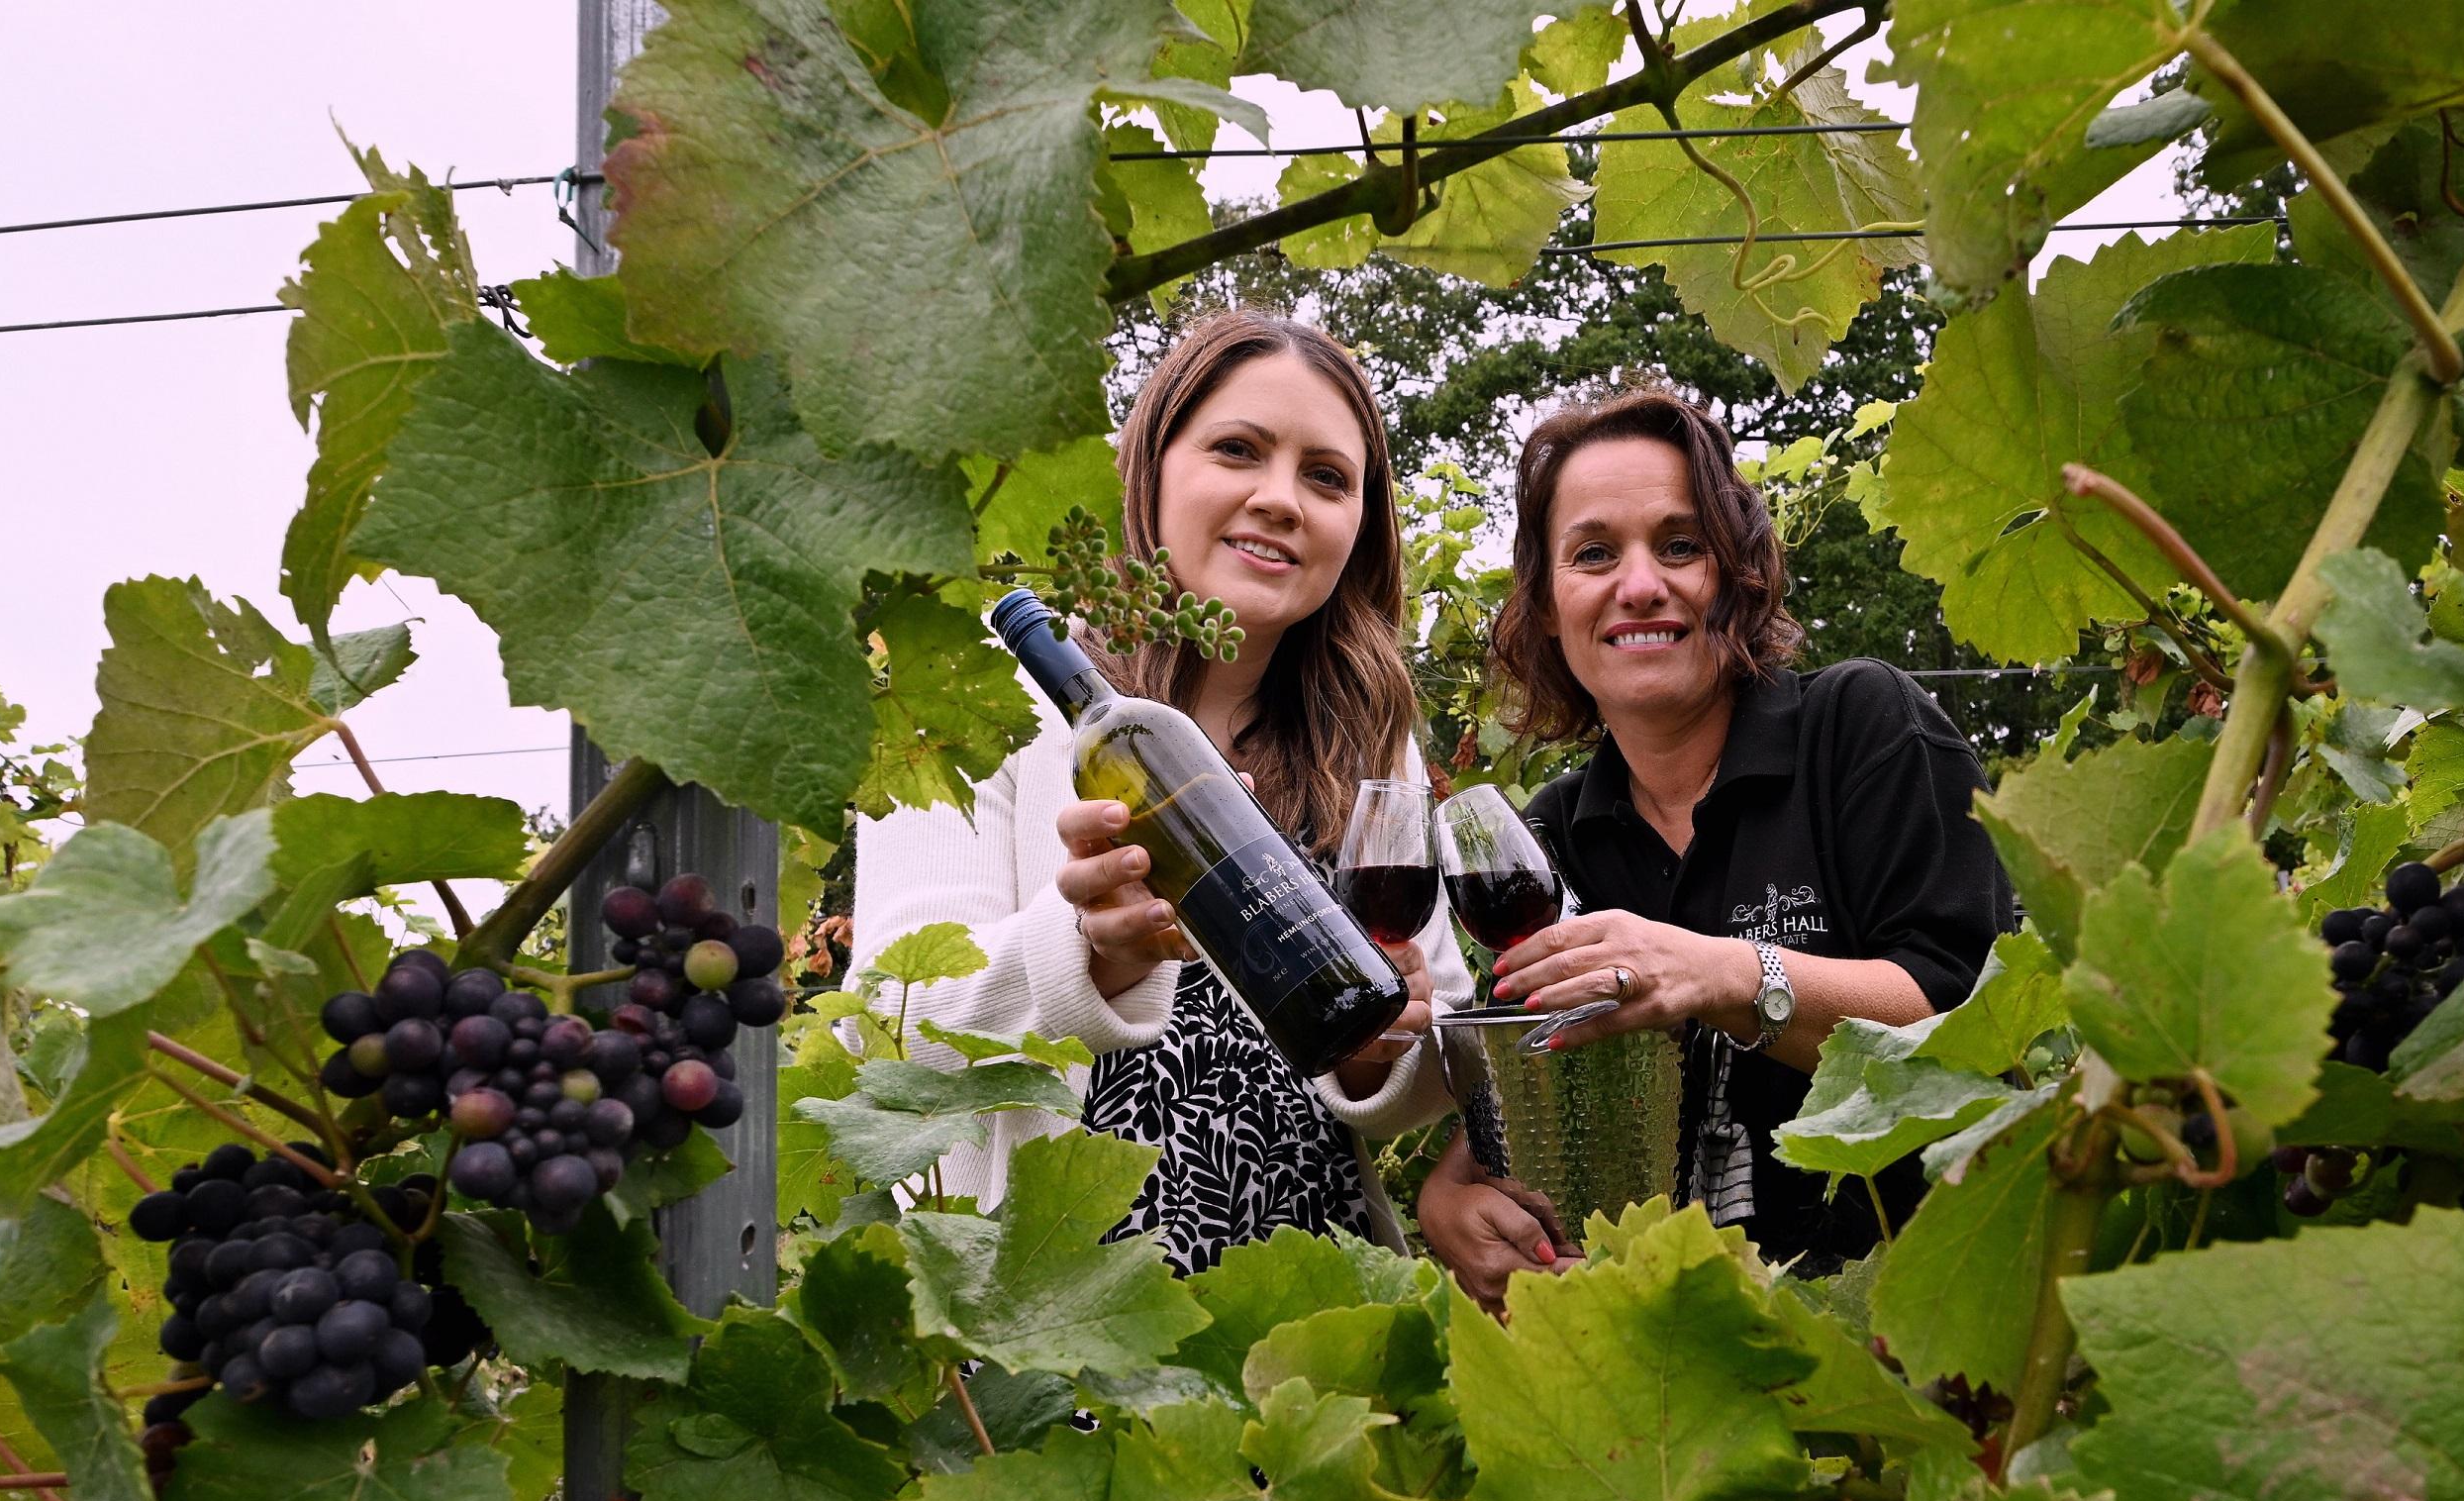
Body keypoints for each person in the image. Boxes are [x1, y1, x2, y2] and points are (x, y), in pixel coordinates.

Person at [854, 311, 1462, 1275]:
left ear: (1359, 524)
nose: (1280, 499)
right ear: (1153, 468)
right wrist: (1082, 956)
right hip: (1058, 1318)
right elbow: (884, 1020)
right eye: (1236, 450)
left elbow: (1430, 1046)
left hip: (1317, 1312)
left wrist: (1381, 1046)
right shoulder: (980, 707)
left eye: (1325, 476)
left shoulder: (1367, 734)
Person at [1417, 388, 2011, 1300]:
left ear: (1735, 575)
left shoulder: (1861, 727)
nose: (1641, 584)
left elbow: (1968, 1021)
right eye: (1594, 554)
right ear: (1544, 606)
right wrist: (1452, 1197)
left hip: (1909, 1329)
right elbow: (1546, 1076)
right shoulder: (1553, 839)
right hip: (1682, 1355)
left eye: (1681, 546)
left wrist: (1724, 975)